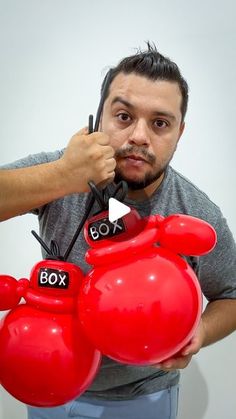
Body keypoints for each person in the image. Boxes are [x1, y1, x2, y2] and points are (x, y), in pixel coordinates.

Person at [1, 42, 236, 419]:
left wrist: (202, 333)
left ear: (180, 132)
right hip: (50, 382)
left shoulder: (196, 211)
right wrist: (63, 176)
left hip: (143, 397)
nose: (139, 136)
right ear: (100, 117)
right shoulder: (61, 172)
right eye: (124, 116)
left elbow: (231, 294)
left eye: (160, 123)